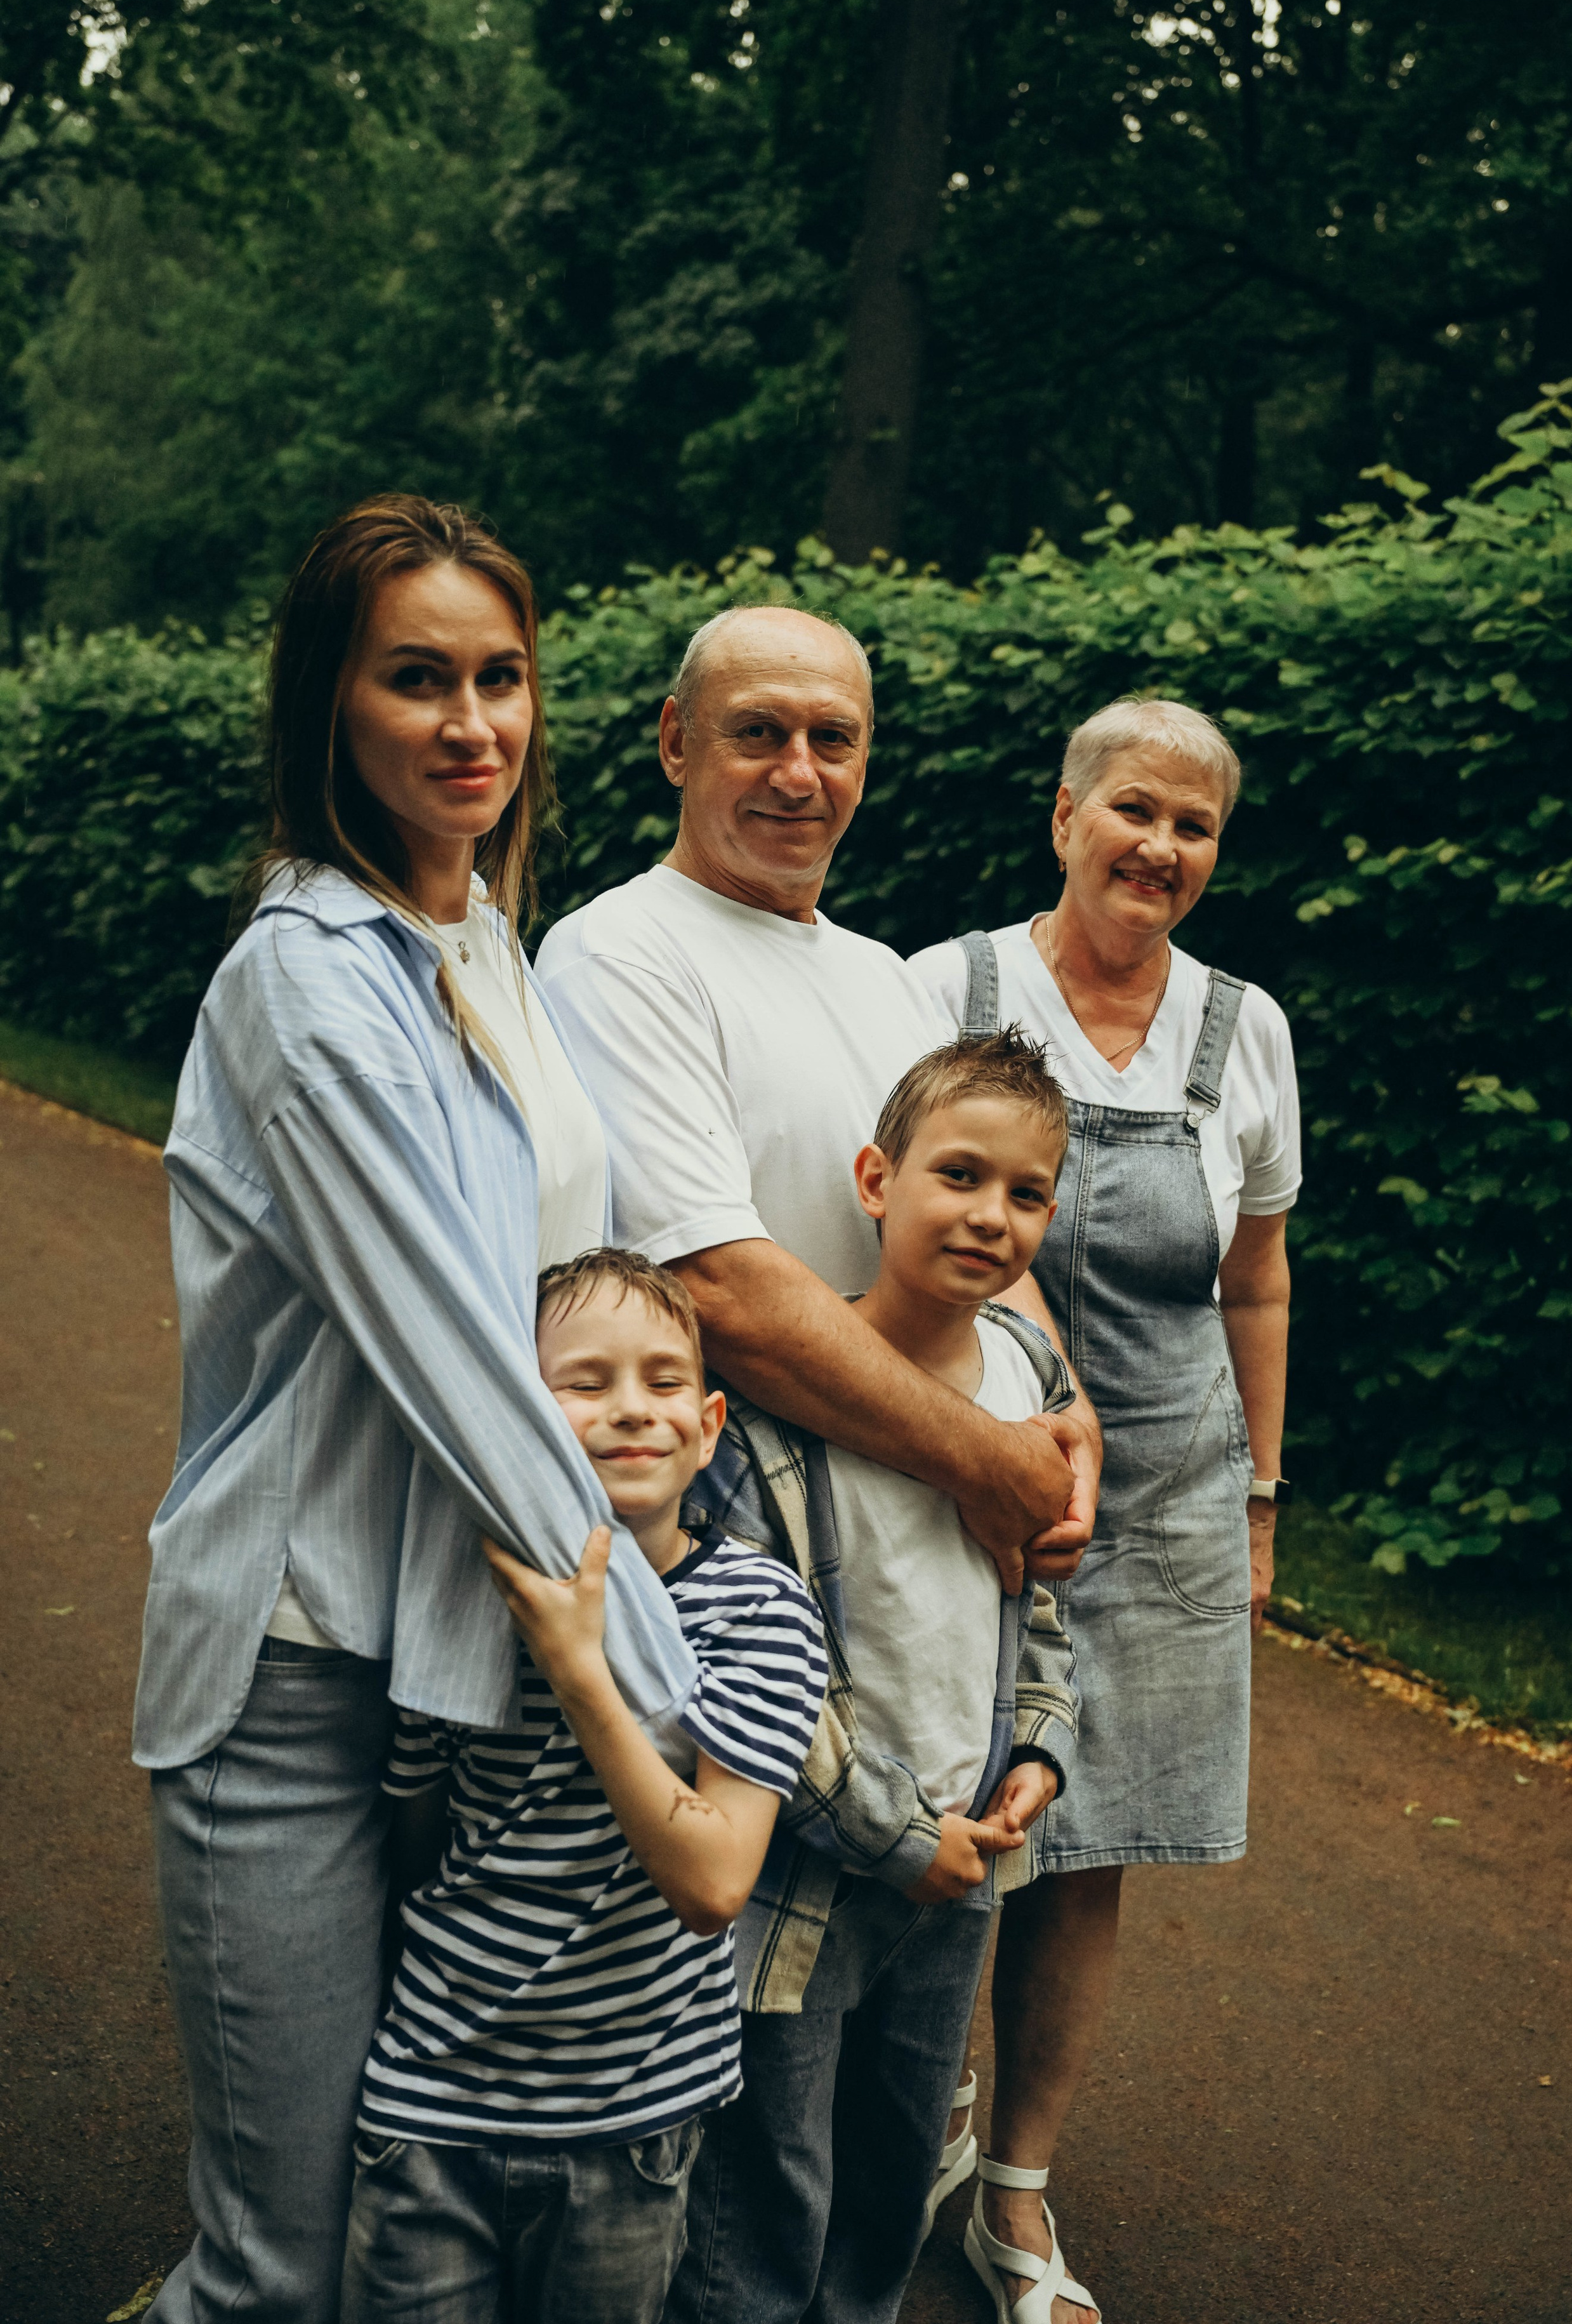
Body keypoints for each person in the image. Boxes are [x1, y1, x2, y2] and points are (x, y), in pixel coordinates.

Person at [136, 496, 699, 2324]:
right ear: (330, 708)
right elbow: (461, 1356)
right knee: (279, 2270)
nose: (471, 723)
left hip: (466, 1693)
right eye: (416, 680)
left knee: (410, 2247)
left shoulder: (487, 954)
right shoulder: (308, 984)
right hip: (298, 1688)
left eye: (502, 678)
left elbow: (583, 1309)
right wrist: (679, 1689)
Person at [910, 694, 1299, 2324]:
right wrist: (1002, 1433)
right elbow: (888, 1217)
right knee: (933, 1826)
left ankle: (1013, 2195)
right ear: (1061, 813)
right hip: (962, 1479)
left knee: (1089, 1850)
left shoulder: (1245, 1030)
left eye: (1192, 826)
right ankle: (903, 2136)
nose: (1158, 847)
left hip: (1172, 1506)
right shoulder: (951, 988)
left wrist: (1261, 1500)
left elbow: (1256, 1283)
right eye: (1131, 810)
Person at [534, 604, 1100, 1609]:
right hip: (753, 1549)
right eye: (757, 733)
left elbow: (977, 1204)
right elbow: (716, 1286)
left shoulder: (886, 978)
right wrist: (992, 1459)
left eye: (831, 739)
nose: (799, 774)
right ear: (677, 742)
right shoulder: (619, 952)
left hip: (930, 1549)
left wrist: (1061, 1407)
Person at [668, 1028, 1081, 2324]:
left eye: (1024, 1194)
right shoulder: (794, 1415)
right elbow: (750, 1677)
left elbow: (1038, 1611)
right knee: (767, 2175)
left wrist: (1032, 1754)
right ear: (872, 1179)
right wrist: (893, 1833)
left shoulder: (1019, 1382)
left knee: (897, 2159)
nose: (989, 1216)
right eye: (956, 1175)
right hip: (811, 1869)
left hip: (960, 1865)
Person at [341, 1249, 827, 2324]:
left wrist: (580, 1670)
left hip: (632, 2119)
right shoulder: (461, 1588)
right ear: (519, 1413)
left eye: (662, 1382)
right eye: (585, 1382)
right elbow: (416, 1837)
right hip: (433, 2097)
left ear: (708, 1428)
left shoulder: (758, 1612)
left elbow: (713, 1883)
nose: (630, 1411)